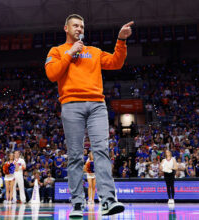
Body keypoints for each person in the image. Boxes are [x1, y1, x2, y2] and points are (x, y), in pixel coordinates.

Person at [45, 13, 133, 217]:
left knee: (101, 150)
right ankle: (77, 203)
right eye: (75, 26)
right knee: (75, 156)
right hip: (71, 105)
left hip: (96, 106)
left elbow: (116, 62)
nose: (79, 29)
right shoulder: (57, 51)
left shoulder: (93, 51)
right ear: (66, 28)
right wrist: (70, 54)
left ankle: (108, 200)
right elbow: (52, 74)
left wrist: (121, 40)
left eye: (82, 27)